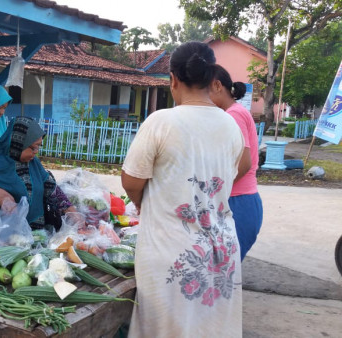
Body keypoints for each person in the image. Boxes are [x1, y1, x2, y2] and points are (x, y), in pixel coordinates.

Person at [121, 41, 244, 337]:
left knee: (166, 329)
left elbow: (131, 180)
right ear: (212, 78)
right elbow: (238, 169)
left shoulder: (161, 121)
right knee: (210, 330)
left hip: (173, 252)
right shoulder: (231, 126)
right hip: (221, 248)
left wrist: (142, 203)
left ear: (173, 79)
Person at [0, 116, 75, 233]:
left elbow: (50, 187)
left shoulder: (34, 163)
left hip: (34, 235)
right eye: (32, 147)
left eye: (39, 146)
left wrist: (71, 211)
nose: (36, 152)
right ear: (17, 142)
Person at [209, 65, 263, 261]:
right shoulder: (233, 112)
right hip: (238, 200)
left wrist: (213, 191)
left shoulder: (234, 115)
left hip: (238, 201)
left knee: (224, 269)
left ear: (217, 86)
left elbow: (244, 163)